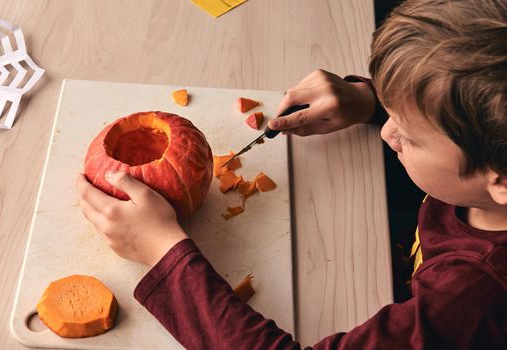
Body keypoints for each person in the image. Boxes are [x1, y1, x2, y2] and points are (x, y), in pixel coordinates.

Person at [77, 0, 507, 348]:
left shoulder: (472, 297)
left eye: (409, 134)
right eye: (391, 115)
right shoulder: (485, 172)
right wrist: (366, 101)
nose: (389, 134)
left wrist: (162, 252)